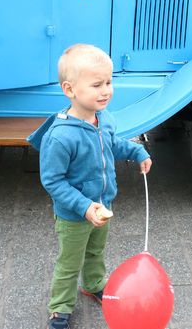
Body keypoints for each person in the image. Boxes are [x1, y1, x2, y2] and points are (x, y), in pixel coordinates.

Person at [28, 44, 152, 329]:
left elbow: (112, 145)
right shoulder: (60, 137)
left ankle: (94, 284)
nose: (106, 90)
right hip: (74, 215)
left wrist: (137, 152)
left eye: (109, 82)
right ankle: (60, 307)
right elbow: (53, 181)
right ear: (69, 90)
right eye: (97, 85)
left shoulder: (104, 119)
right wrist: (84, 206)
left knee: (96, 252)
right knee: (69, 263)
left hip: (103, 205)